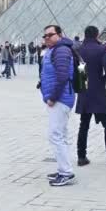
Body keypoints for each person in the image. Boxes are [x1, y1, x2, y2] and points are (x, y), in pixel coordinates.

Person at [76, 26, 106, 167]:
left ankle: (81, 157)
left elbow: (79, 69)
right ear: (97, 35)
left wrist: (82, 84)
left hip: (84, 90)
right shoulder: (101, 49)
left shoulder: (79, 49)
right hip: (98, 91)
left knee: (83, 125)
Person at [40, 25, 76, 187]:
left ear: (60, 35)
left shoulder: (60, 50)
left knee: (55, 135)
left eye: (50, 35)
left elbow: (62, 77)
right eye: (45, 35)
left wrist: (53, 98)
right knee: (60, 134)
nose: (47, 38)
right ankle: (63, 168)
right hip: (60, 97)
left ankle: (66, 172)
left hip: (60, 98)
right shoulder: (56, 49)